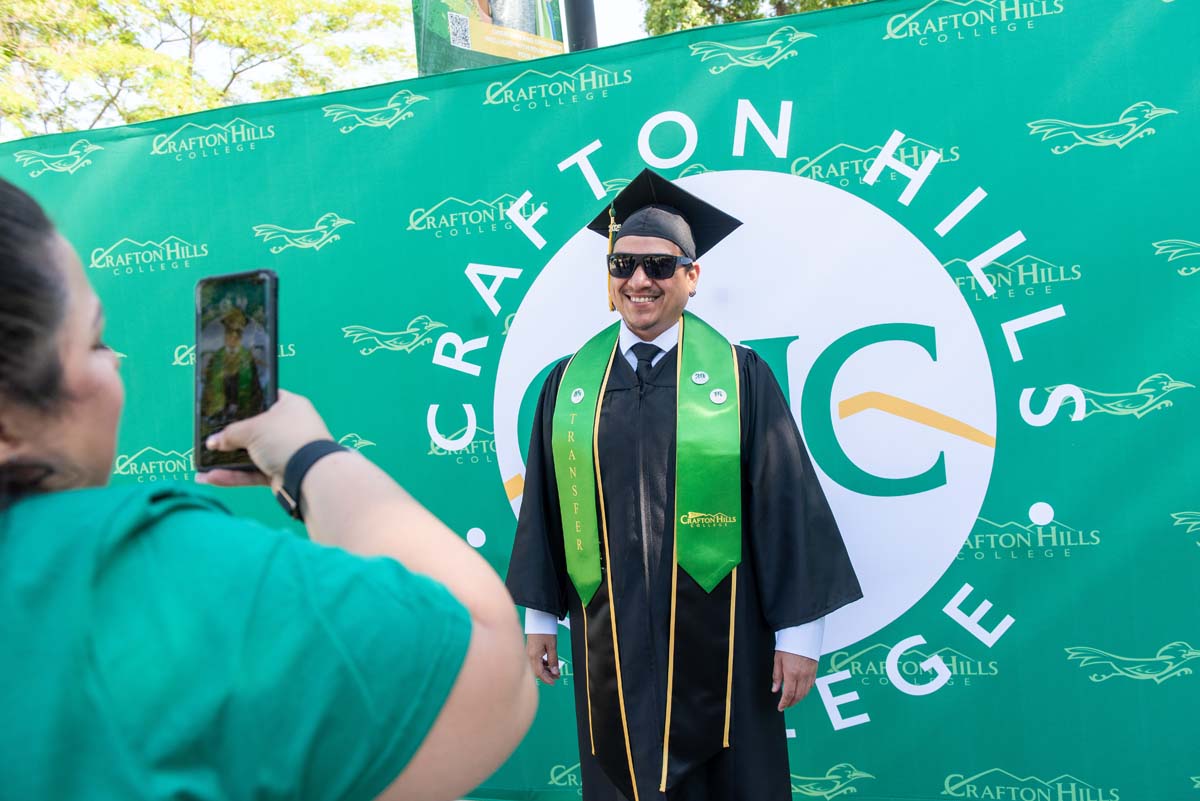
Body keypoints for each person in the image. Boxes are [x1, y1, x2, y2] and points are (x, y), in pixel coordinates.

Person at [0, 176, 536, 800]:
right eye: (94, 341)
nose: (115, 361)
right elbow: (486, 660)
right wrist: (311, 459)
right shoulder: (156, 574)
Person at [506, 169, 863, 801]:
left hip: (727, 641)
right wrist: (539, 617)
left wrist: (800, 636)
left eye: (660, 266)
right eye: (622, 265)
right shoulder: (569, 385)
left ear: (692, 277)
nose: (639, 280)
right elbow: (547, 508)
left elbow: (783, 503)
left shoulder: (740, 376)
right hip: (610, 637)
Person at [200, 306, 263, 425]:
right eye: (229, 332)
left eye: (238, 333)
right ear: (225, 334)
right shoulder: (216, 357)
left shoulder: (248, 358)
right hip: (219, 418)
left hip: (245, 418)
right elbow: (209, 388)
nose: (233, 337)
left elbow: (256, 388)